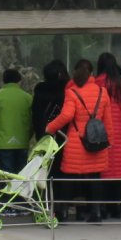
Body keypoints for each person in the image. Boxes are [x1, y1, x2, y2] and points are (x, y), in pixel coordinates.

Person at [45, 58, 109, 223]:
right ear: (91, 73)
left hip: (76, 142)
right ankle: (96, 213)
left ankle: (64, 213)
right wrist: (108, 142)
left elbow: (66, 115)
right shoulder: (102, 92)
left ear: (75, 73)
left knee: (69, 178)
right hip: (96, 142)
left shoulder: (72, 92)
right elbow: (107, 121)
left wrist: (50, 127)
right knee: (95, 177)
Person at [94, 53, 121, 218]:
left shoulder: (97, 83)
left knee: (102, 168)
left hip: (100, 131)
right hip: (117, 132)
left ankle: (101, 208)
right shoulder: (120, 84)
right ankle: (115, 208)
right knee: (116, 170)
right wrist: (118, 120)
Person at [0, 68, 34, 179]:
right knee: (21, 174)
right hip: (22, 141)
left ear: (3, 81)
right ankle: (20, 191)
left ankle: (8, 190)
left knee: (6, 175)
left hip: (4, 142)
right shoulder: (27, 98)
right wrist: (28, 134)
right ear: (19, 81)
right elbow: (33, 119)